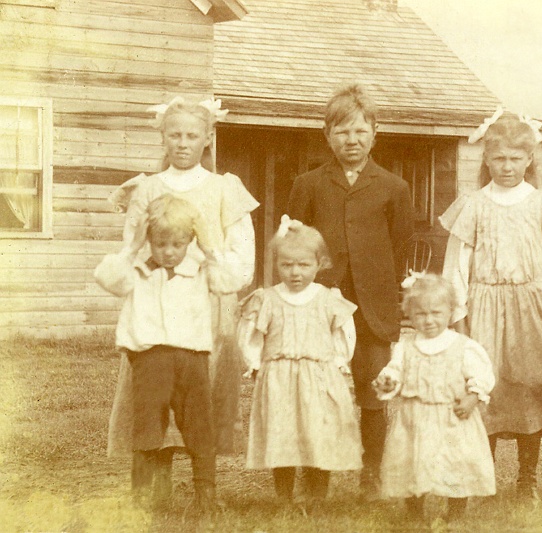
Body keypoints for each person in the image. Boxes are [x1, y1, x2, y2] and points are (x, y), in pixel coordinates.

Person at [106, 97, 259, 504]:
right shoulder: (147, 189)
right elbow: (132, 246)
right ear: (162, 137)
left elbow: (242, 257)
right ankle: (155, 486)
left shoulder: (224, 187)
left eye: (192, 135)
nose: (183, 143)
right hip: (154, 305)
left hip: (205, 306)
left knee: (198, 400)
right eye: (174, 134)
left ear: (208, 138)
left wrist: (213, 269)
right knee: (152, 394)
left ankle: (204, 488)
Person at [439, 109, 542, 502]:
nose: (507, 167)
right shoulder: (472, 205)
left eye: (515, 158)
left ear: (529, 159)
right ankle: (480, 477)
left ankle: (527, 480)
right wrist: (458, 316)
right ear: (486, 159)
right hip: (484, 306)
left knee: (529, 391)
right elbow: (456, 266)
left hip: (532, 312)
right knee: (485, 391)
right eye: (499, 158)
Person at [286, 83, 414, 498]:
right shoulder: (308, 184)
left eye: (360, 131)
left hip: (373, 308)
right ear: (327, 135)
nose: (351, 140)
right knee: (318, 391)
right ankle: (316, 476)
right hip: (321, 305)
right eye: (341, 132)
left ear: (375, 132)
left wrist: (385, 292)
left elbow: (400, 246)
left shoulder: (394, 187)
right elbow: (295, 242)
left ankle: (372, 473)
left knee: (374, 392)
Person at [94, 194, 237, 513]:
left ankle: (206, 495)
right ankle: (143, 498)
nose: (168, 251)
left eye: (177, 243)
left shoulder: (201, 269)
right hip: (150, 359)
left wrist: (211, 244)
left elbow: (232, 279)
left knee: (200, 426)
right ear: (149, 240)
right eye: (160, 243)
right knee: (147, 426)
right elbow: (106, 277)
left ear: (189, 240)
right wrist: (132, 245)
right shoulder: (136, 268)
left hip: (192, 359)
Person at [236, 215, 362, 505]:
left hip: (318, 377)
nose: (295, 273)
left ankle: (316, 497)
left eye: (304, 265)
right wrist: (255, 363)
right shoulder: (266, 298)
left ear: (320, 263)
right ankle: (283, 498)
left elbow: (343, 334)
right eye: (287, 264)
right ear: (276, 263)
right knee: (282, 436)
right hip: (279, 378)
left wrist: (339, 362)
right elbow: (252, 335)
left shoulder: (328, 298)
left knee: (319, 434)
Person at [373, 274, 495, 524]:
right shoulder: (406, 346)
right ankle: (415, 513)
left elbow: (482, 374)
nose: (429, 320)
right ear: (409, 314)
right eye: (421, 314)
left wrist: (473, 396)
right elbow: (396, 370)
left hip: (452, 418)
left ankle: (456, 513)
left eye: (436, 313)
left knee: (456, 463)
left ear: (450, 312)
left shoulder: (462, 346)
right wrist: (388, 381)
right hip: (414, 417)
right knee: (413, 463)